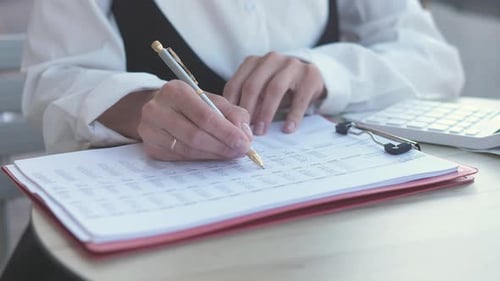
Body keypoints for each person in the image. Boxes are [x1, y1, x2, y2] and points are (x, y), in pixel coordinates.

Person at [1, 0, 463, 280]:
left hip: (326, 241)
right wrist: (142, 106)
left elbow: (435, 61)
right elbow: (51, 81)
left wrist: (328, 72)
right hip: (135, 246)